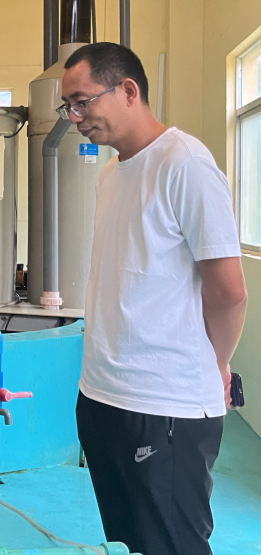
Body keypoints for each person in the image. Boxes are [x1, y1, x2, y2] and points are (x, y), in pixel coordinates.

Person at [61, 42, 247, 555]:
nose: (75, 118)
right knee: (128, 543)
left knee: (171, 545)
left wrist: (217, 364)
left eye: (82, 102)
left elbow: (229, 291)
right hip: (102, 396)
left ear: (128, 90)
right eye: (68, 106)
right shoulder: (109, 175)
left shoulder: (185, 164)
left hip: (165, 405)